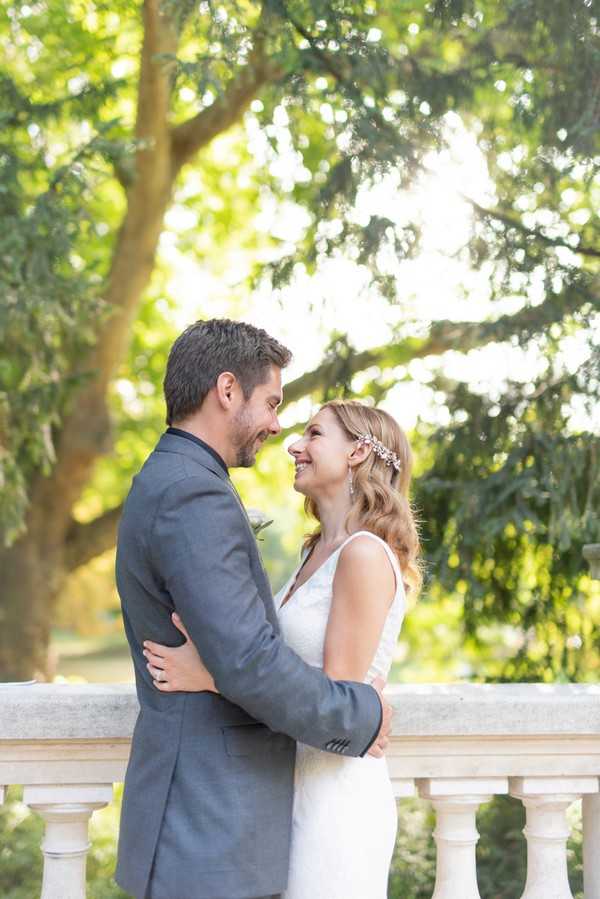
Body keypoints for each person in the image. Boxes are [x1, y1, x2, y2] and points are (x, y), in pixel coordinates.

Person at [114, 319, 393, 899]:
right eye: (271, 402)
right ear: (226, 390)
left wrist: (214, 669)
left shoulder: (176, 478)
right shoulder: (193, 492)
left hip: (221, 817)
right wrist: (359, 715)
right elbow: (250, 663)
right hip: (208, 821)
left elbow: (241, 655)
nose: (277, 426)